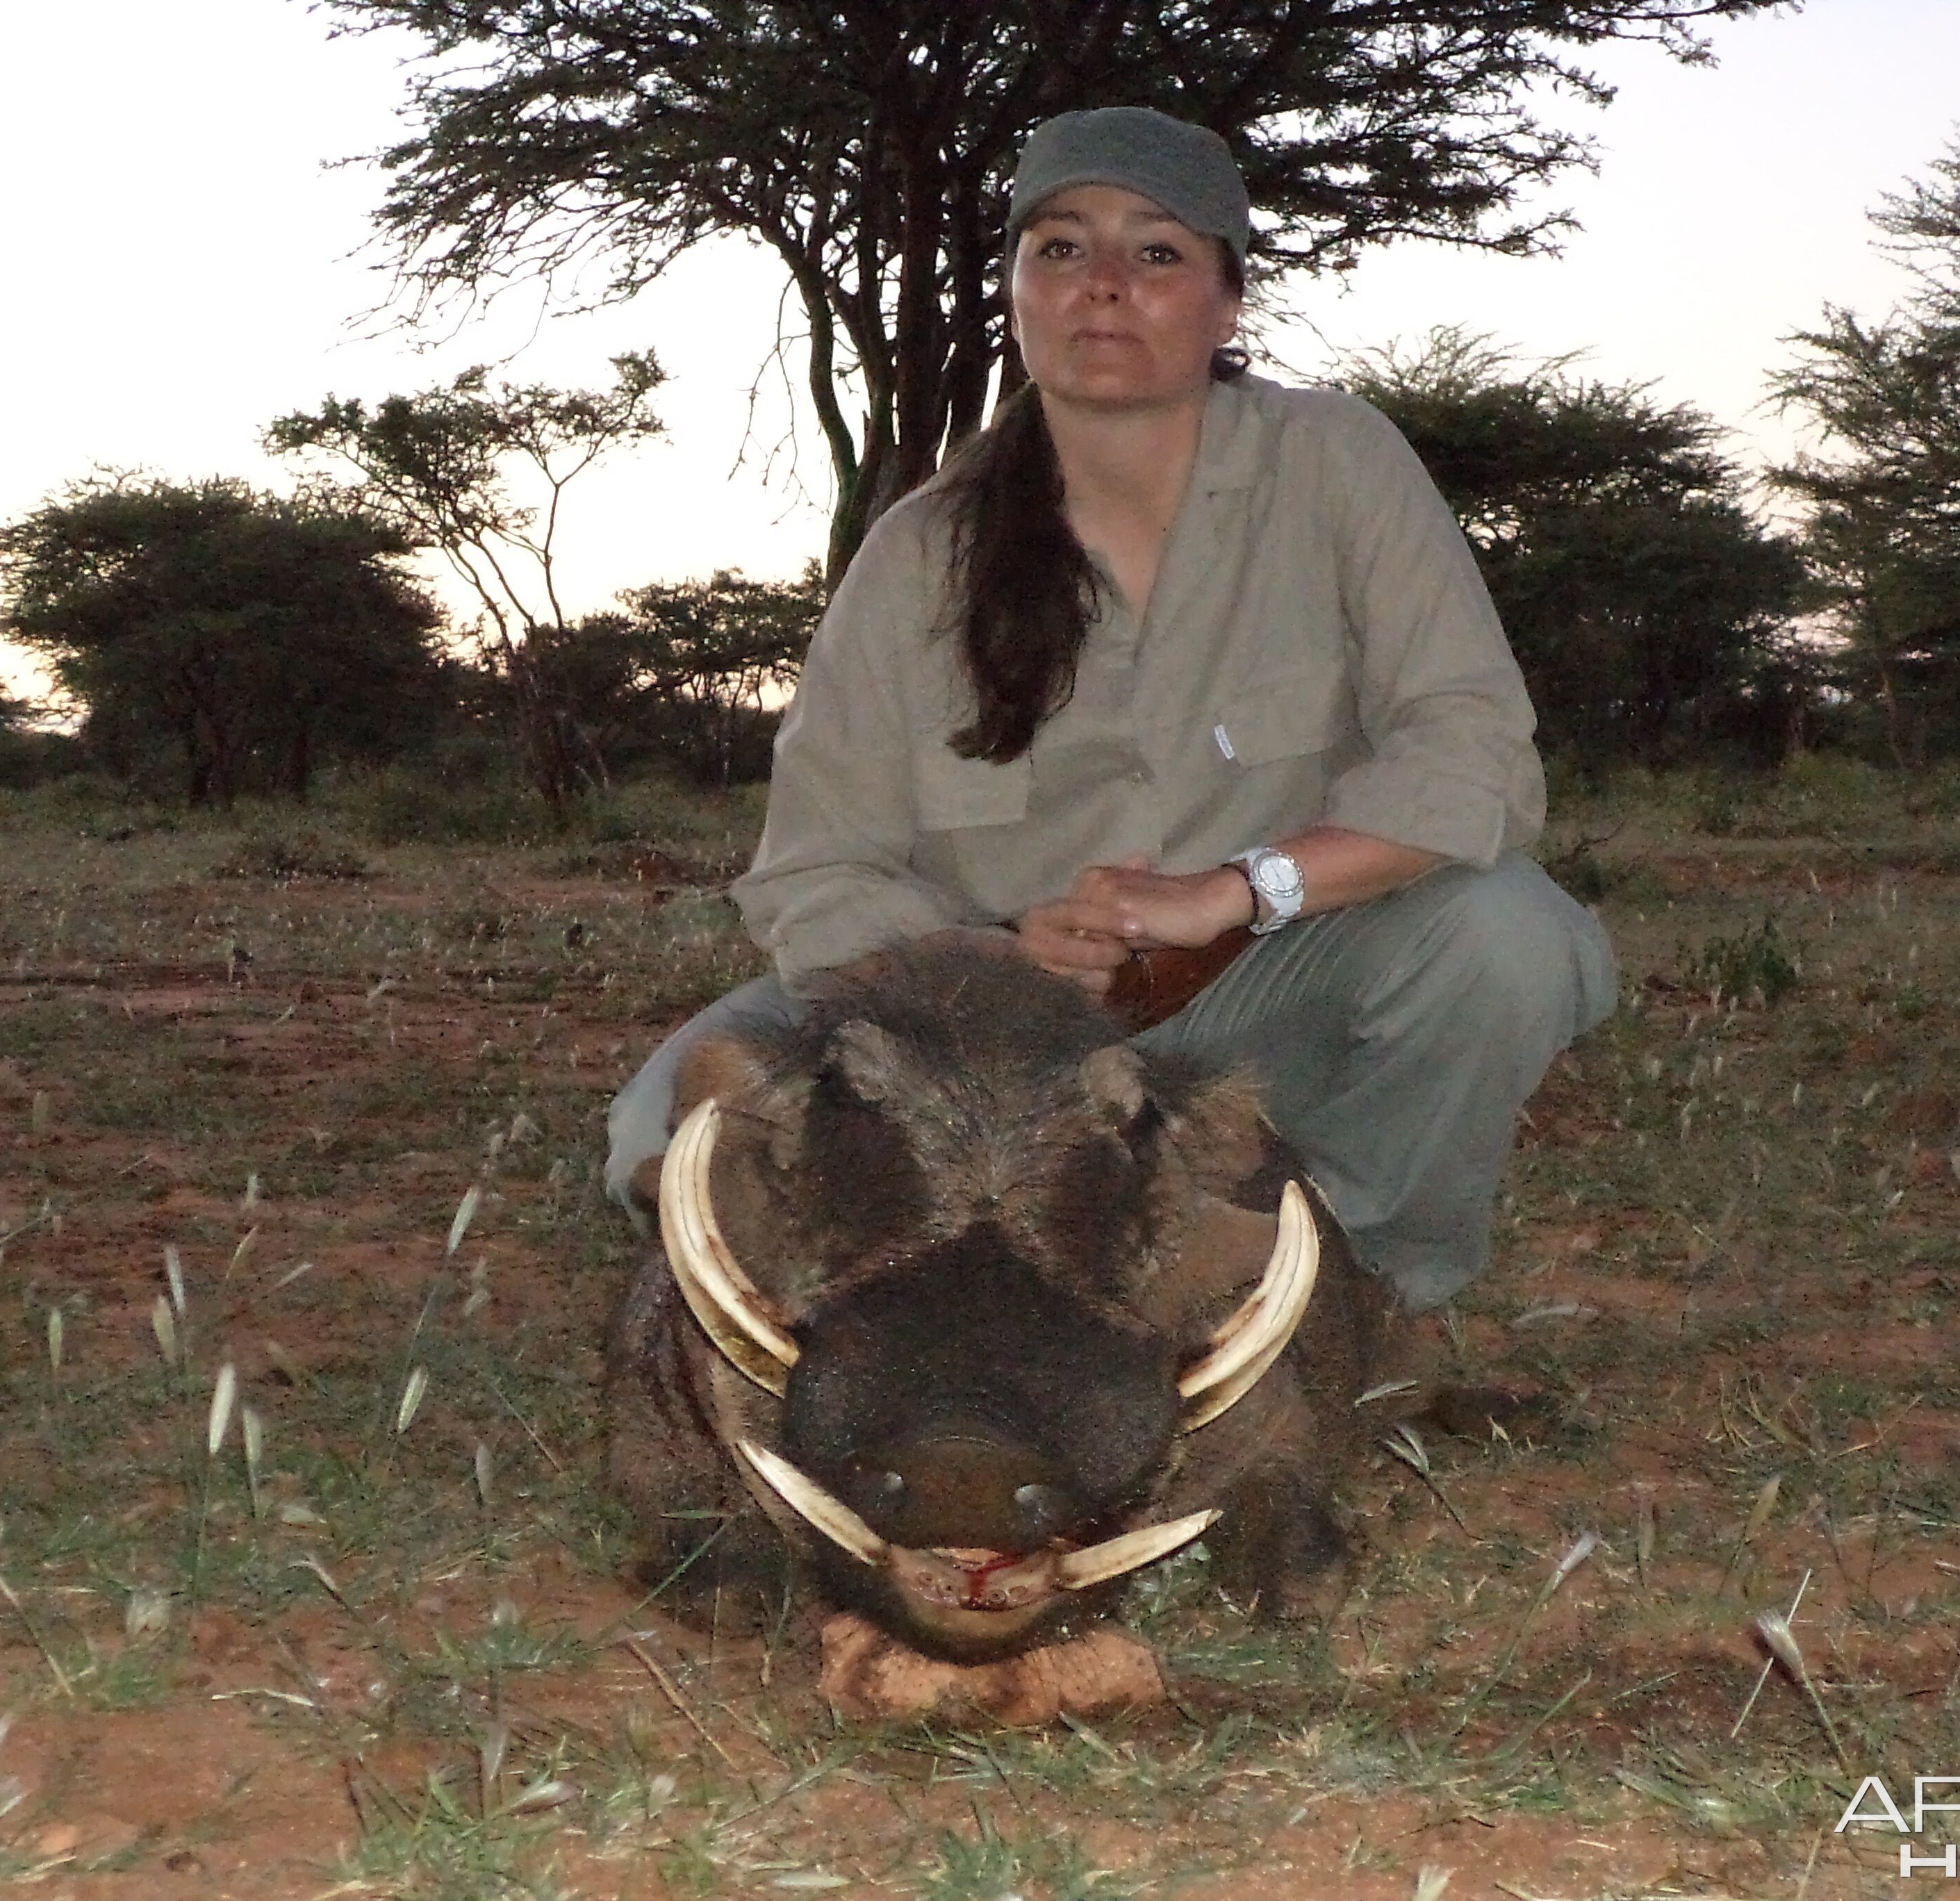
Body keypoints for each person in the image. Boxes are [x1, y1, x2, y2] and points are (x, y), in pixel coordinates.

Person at [606, 105, 1615, 1319]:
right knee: (657, 1130)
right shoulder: (918, 551)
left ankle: (1358, 1290)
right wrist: (997, 960)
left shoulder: (1336, 461)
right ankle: (958, 1278)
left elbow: (1473, 758)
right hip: (982, 1028)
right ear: (1018, 291)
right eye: (1062, 249)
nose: (1103, 288)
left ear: (1228, 304)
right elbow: (817, 871)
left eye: (1156, 253)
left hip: (1259, 1001)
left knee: (1510, 937)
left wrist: (1234, 892)